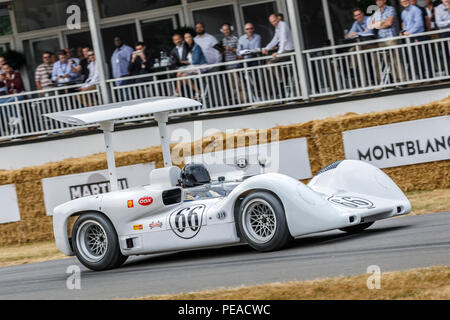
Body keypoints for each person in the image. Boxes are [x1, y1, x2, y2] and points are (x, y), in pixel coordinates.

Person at [370, 0, 405, 83]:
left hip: (391, 38)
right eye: (376, 0)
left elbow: (389, 23)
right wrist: (382, 23)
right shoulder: (376, 12)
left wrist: (379, 24)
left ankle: (403, 80)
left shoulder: (390, 9)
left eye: (379, 0)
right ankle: (397, 81)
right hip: (381, 39)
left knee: (396, 60)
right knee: (388, 62)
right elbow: (373, 25)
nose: (378, 2)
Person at [175, 31, 207, 99]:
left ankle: (177, 92)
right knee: (183, 76)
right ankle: (198, 91)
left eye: (189, 37)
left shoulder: (196, 47)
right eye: (186, 38)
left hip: (200, 66)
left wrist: (186, 63)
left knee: (179, 71)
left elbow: (196, 61)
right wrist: (184, 62)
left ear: (192, 38)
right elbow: (190, 61)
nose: (187, 39)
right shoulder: (187, 47)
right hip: (193, 67)